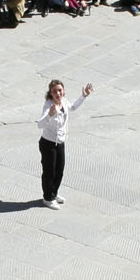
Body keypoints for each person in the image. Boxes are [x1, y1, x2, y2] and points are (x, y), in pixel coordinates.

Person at [37, 78, 94, 207]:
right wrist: (50, 115)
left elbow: (72, 107)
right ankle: (47, 198)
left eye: (60, 90)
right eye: (55, 91)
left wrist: (83, 96)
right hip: (48, 143)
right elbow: (40, 124)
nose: (58, 93)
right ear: (51, 93)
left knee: (59, 170)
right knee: (49, 172)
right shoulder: (48, 105)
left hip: (60, 143)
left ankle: (54, 193)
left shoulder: (63, 101)